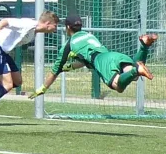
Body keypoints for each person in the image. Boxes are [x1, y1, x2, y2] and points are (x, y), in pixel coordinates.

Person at [29, 14, 158, 98]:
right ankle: (144, 46)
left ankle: (138, 68)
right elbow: (86, 60)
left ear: (68, 27)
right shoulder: (89, 35)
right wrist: (71, 67)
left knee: (118, 86)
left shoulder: (68, 45)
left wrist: (43, 88)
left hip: (102, 61)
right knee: (133, 77)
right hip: (113, 55)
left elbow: (54, 71)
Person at [0, 10, 60, 126]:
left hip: (2, 51)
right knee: (7, 85)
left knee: (17, 81)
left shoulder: (33, 31)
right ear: (48, 23)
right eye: (55, 26)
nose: (55, 29)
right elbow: (6, 21)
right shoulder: (28, 24)